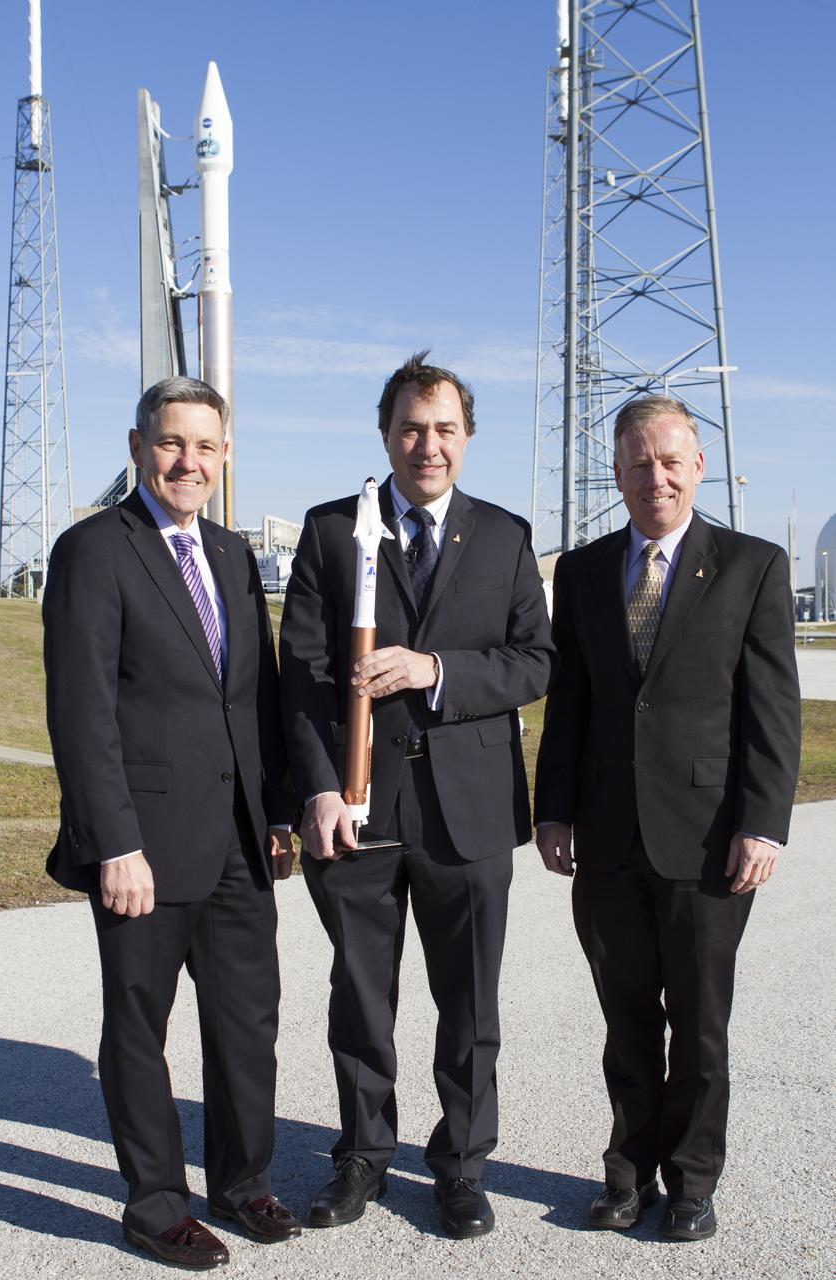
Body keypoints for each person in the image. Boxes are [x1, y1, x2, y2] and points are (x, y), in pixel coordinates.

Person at [279, 352, 552, 1239]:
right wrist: (318, 788)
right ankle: (362, 1156)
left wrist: (435, 670)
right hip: (355, 810)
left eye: (442, 429)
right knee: (360, 996)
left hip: (466, 813)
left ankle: (463, 1165)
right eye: (409, 427)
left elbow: (533, 661)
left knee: (469, 1002)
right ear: (384, 433)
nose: (425, 445)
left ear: (466, 437)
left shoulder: (505, 536)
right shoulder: (332, 531)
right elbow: (303, 676)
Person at [43, 376, 301, 1268]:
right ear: (137, 446)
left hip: (237, 842)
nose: (187, 462)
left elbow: (256, 698)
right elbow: (81, 715)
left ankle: (242, 1183)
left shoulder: (231, 556)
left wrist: (274, 813)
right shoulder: (94, 551)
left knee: (246, 1024)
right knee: (139, 1029)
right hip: (142, 848)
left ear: (224, 455)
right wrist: (113, 842)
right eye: (170, 444)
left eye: (204, 447)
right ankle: (154, 1206)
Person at [534, 396, 801, 1241]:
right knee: (624, 1024)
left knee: (698, 1025)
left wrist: (762, 822)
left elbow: (773, 709)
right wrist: (552, 811)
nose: (656, 476)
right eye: (638, 463)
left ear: (698, 466)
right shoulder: (580, 571)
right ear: (615, 473)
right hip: (608, 838)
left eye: (671, 460)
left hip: (709, 840)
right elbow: (568, 701)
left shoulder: (751, 565)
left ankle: (691, 1182)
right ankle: (625, 1175)